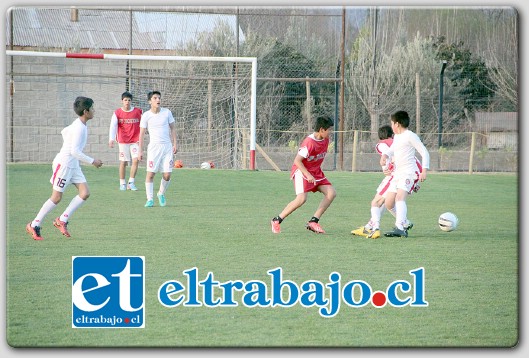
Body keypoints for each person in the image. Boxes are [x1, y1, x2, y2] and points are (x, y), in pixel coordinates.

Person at [26, 96, 103, 240]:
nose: (94, 111)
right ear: (86, 111)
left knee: (85, 193)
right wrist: (93, 161)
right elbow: (74, 151)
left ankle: (62, 219)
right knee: (56, 198)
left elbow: (65, 131)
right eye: (92, 108)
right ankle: (34, 224)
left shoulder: (79, 124)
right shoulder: (79, 127)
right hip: (65, 165)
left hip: (74, 165)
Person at [351, 124, 419, 239]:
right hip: (406, 174)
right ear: (392, 134)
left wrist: (386, 167)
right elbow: (414, 160)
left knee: (376, 202)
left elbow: (387, 154)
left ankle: (377, 228)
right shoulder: (400, 141)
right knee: (383, 202)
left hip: (395, 176)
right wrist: (415, 180)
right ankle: (370, 226)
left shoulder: (381, 144)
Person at [271, 115, 336, 234]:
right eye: (329, 130)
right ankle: (276, 220)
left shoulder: (325, 140)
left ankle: (314, 221)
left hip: (316, 172)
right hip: (302, 171)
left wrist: (314, 172)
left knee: (331, 193)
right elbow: (297, 161)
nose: (330, 132)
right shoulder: (309, 143)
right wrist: (308, 175)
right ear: (322, 129)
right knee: (301, 199)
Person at [380, 110, 429, 238]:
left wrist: (424, 170)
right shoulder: (397, 137)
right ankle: (404, 222)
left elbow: (424, 152)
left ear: (397, 124)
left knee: (399, 198)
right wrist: (385, 155)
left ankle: (400, 227)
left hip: (409, 173)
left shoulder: (410, 136)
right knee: (389, 203)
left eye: (392, 123)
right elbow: (392, 149)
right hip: (397, 174)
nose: (391, 126)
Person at [138, 91, 177, 208]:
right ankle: (149, 199)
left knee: (167, 175)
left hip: (167, 147)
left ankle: (161, 193)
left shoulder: (167, 112)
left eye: (159, 98)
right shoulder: (146, 115)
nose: (158, 100)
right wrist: (140, 150)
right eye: (155, 98)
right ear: (150, 101)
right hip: (154, 148)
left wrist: (175, 143)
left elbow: (173, 128)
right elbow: (141, 134)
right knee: (150, 174)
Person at [108, 91, 143, 191]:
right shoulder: (117, 113)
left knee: (136, 160)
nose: (127, 102)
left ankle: (131, 182)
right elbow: (113, 126)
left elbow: (144, 123)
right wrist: (111, 139)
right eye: (125, 100)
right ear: (122, 101)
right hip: (123, 141)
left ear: (131, 101)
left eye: (129, 100)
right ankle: (122, 183)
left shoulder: (138, 112)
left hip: (135, 140)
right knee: (124, 162)